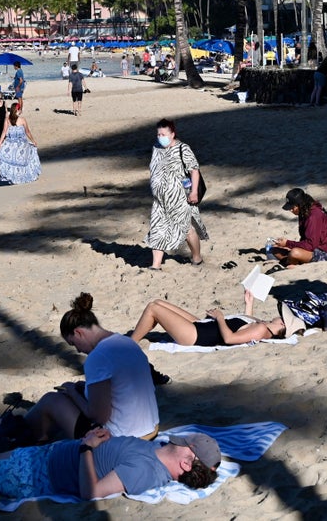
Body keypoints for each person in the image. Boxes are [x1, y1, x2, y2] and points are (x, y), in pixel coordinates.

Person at [0, 427, 218, 502]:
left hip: (38, 474)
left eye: (182, 442)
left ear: (186, 461)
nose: (175, 438)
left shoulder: (147, 473)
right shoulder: (155, 455)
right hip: (45, 457)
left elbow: (91, 491)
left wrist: (87, 449)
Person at [25, 293, 159, 443]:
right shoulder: (127, 343)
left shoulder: (98, 357)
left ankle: (27, 442)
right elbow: (120, 387)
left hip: (121, 441)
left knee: (51, 400)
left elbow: (98, 416)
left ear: (78, 332)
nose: (78, 350)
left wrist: (72, 392)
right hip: (151, 430)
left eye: (73, 343)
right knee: (74, 394)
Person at [129, 288, 295, 346]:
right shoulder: (261, 325)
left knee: (153, 308)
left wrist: (220, 317)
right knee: (158, 302)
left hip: (195, 335)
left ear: (282, 324)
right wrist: (248, 303)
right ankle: (138, 335)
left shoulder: (261, 330)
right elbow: (244, 328)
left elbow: (230, 338)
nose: (278, 315)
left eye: (281, 316)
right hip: (201, 325)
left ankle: (129, 344)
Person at [146, 119, 206, 269]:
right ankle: (156, 265)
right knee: (157, 229)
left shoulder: (183, 149)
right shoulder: (156, 148)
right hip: (159, 200)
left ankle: (197, 258)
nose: (160, 137)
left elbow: (194, 170)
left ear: (172, 134)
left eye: (163, 134)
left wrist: (193, 192)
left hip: (179, 198)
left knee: (186, 229)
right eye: (158, 134)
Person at [269, 188, 327, 266]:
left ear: (300, 205)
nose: (291, 210)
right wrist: (288, 245)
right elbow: (305, 240)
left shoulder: (314, 216)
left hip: (325, 253)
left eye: (292, 208)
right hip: (312, 249)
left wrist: (288, 243)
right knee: (274, 249)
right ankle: (292, 262)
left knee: (294, 253)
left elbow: (311, 245)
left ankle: (292, 263)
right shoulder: (303, 212)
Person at [0, 105, 40, 183]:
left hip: (11, 144)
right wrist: (33, 141)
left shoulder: (7, 119)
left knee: (14, 161)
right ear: (18, 110)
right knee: (22, 161)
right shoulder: (22, 120)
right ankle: (22, 177)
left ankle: (14, 177)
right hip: (21, 144)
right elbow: (27, 132)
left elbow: (4, 132)